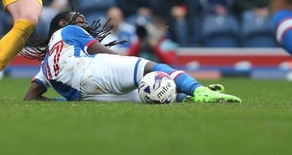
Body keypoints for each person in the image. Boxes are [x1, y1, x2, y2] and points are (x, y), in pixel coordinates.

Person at [22, 11, 241, 103]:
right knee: (153, 68)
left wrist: (63, 101)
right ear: (62, 22)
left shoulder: (46, 61)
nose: (85, 23)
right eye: (80, 18)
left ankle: (189, 99)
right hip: (93, 70)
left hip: (84, 95)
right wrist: (123, 61)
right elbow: (99, 50)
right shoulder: (68, 31)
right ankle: (200, 91)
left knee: (142, 94)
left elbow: (30, 97)